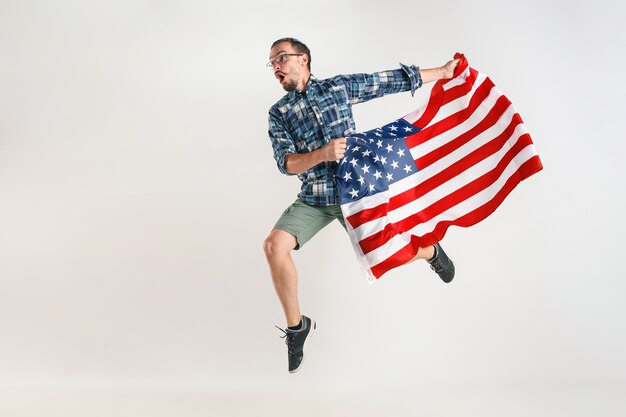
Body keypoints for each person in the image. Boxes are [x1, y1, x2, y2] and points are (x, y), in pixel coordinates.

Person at [264, 37, 458, 373]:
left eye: (282, 58)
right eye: (272, 63)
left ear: (304, 59)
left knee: (389, 256)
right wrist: (321, 155)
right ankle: (298, 328)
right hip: (316, 197)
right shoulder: (279, 113)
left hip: (357, 192)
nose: (277, 67)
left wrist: (442, 71)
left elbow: (385, 81)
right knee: (273, 246)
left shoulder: (337, 88)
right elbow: (287, 163)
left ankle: (430, 252)